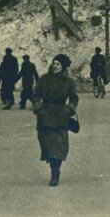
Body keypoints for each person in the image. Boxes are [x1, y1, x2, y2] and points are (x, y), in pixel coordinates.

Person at [32, 54, 78, 187]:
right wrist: (39, 108)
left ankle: (55, 172)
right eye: (54, 63)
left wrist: (69, 110)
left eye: (58, 63)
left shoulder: (68, 82)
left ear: (63, 66)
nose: (55, 65)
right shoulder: (44, 79)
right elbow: (35, 95)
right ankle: (53, 167)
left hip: (60, 117)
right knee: (45, 143)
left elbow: (74, 98)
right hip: (45, 116)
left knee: (58, 146)